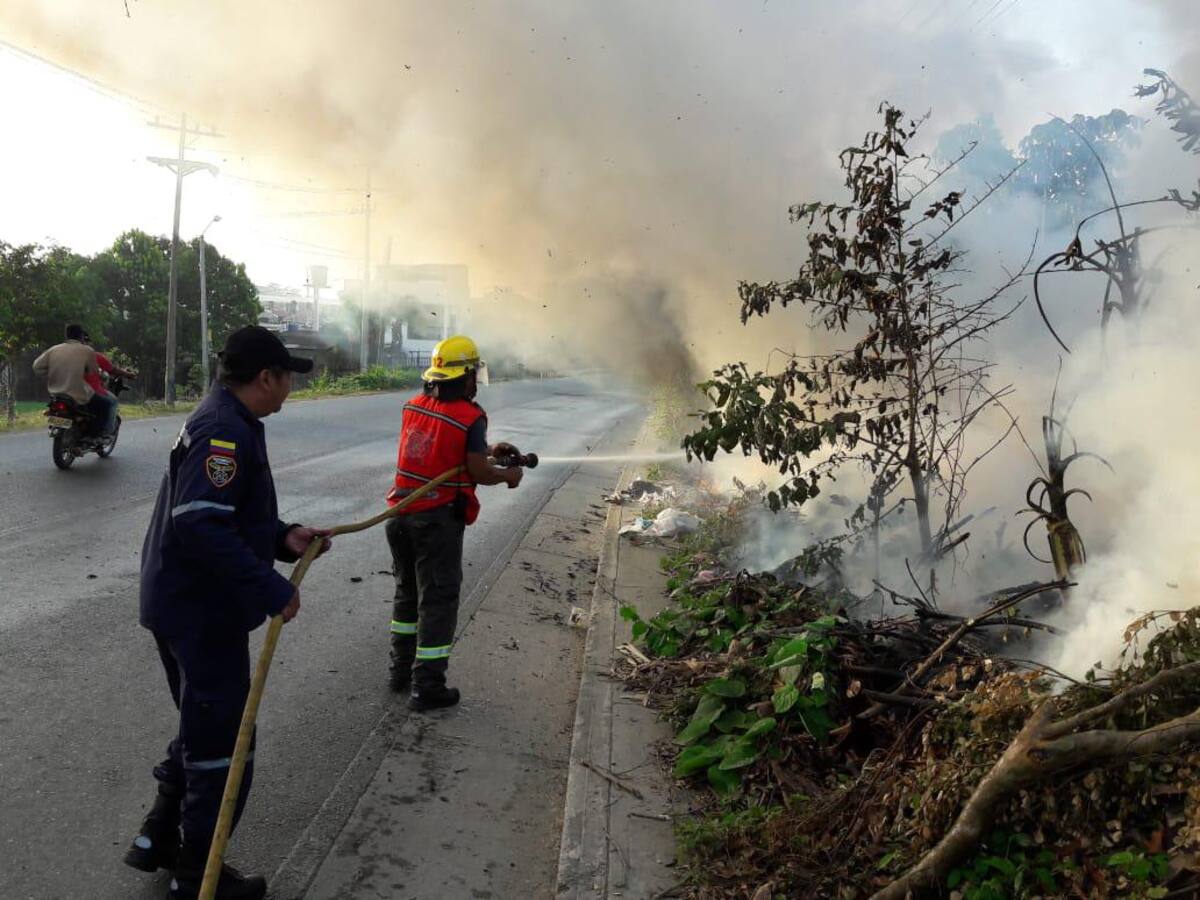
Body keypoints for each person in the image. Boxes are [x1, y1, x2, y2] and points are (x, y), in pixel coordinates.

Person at [126, 326, 332, 900]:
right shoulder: (224, 430)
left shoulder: (228, 418)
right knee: (224, 747)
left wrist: (283, 536)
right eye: (288, 377)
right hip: (202, 612)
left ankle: (156, 838)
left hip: (183, 603)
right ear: (266, 377)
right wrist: (269, 588)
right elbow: (199, 523)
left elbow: (225, 514)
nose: (290, 388)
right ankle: (198, 879)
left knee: (204, 727)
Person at [385, 334, 523, 711]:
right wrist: (508, 476)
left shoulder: (414, 406)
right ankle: (427, 686)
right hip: (435, 523)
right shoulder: (470, 416)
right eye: (473, 373)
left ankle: (399, 671)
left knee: (407, 594)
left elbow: (441, 448)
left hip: (400, 516)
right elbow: (477, 471)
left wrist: (491, 450)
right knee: (438, 600)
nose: (475, 380)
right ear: (465, 377)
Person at [31, 324, 110, 432]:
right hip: (78, 394)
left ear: (67, 336)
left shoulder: (53, 349)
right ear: (81, 336)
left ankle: (64, 425)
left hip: (56, 394)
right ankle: (97, 433)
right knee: (107, 403)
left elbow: (36, 367)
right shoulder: (87, 350)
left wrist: (51, 372)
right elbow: (93, 372)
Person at [82, 331, 136, 436]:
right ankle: (104, 432)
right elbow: (113, 370)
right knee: (113, 401)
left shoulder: (64, 354)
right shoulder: (93, 356)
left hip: (65, 391)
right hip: (88, 391)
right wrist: (129, 374)